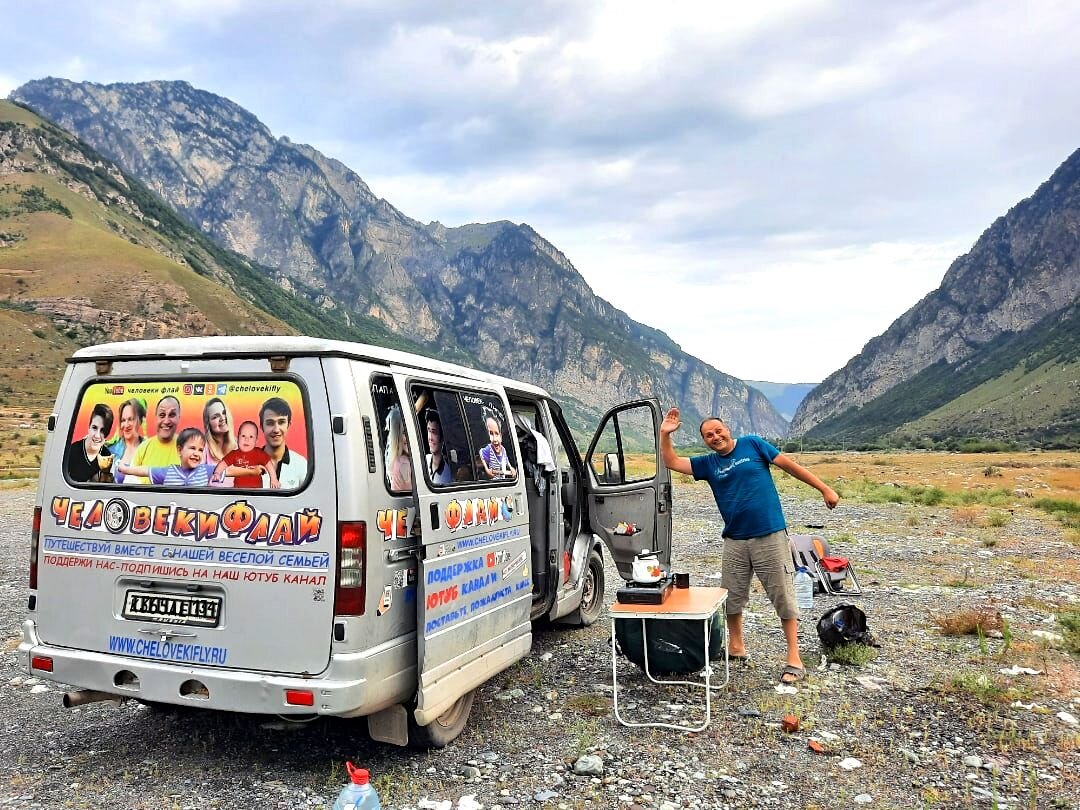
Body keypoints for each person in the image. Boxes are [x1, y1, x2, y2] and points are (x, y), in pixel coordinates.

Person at [660, 408, 839, 685]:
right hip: (734, 539)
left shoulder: (753, 444)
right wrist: (665, 434)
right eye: (709, 435)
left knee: (783, 594)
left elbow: (790, 466)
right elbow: (671, 461)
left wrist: (824, 488)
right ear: (705, 441)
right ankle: (736, 646)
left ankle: (794, 658)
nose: (715, 437)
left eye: (718, 431)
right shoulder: (708, 464)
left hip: (769, 535)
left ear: (728, 429)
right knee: (731, 596)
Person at [119, 428, 221, 487]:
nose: (196, 453)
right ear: (179, 450)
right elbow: (145, 470)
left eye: (200, 450)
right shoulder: (168, 472)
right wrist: (125, 469)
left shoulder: (205, 470)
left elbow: (228, 470)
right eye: (192, 448)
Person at [129, 395, 182, 483]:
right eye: (162, 415)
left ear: (179, 418)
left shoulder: (188, 448)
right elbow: (129, 482)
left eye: (172, 415)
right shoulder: (143, 448)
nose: (166, 421)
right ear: (156, 418)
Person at [259, 396, 308, 489]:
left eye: (281, 422)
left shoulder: (301, 465)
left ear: (288, 425)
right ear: (261, 426)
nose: (276, 430)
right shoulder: (248, 465)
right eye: (270, 423)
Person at [213, 421, 279, 489]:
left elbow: (269, 464)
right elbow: (223, 464)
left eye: (251, 437)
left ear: (256, 441)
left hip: (256, 491)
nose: (246, 439)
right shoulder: (234, 454)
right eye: (243, 436)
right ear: (238, 439)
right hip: (239, 490)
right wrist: (217, 473)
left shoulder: (259, 453)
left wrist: (273, 478)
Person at [66, 403, 114, 482]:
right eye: (94, 428)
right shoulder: (72, 451)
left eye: (102, 431)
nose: (97, 435)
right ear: (89, 427)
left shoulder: (107, 456)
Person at [107, 397, 146, 484]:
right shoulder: (111, 451)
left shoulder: (150, 448)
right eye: (123, 420)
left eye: (130, 419)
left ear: (140, 421)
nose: (126, 425)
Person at [384, 404, 413, 491]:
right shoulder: (404, 464)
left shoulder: (395, 460)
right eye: (404, 432)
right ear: (397, 436)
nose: (409, 437)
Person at [479, 413, 515, 479]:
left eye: (497, 434)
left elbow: (506, 461)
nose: (494, 439)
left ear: (501, 436)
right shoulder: (489, 449)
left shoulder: (503, 450)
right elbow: (481, 453)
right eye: (491, 434)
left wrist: (511, 468)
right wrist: (487, 470)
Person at [424, 409, 453, 485]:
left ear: (442, 437)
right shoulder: (424, 461)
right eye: (428, 430)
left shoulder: (448, 473)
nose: (430, 438)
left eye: (434, 432)